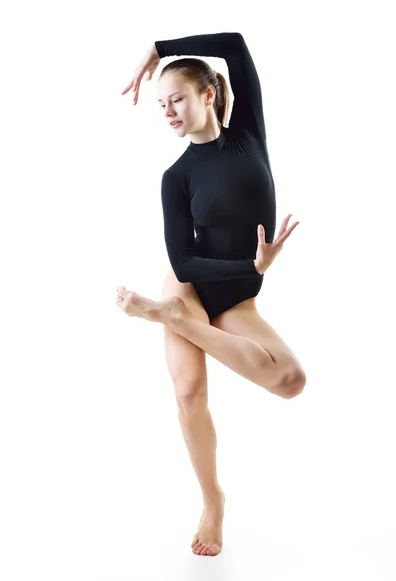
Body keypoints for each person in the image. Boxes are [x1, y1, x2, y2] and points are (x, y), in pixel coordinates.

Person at [117, 32, 306, 557]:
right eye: (161, 105)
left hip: (235, 300)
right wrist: (250, 263)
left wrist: (158, 48)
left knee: (290, 380)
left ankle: (168, 319)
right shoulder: (175, 177)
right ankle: (212, 500)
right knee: (189, 394)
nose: (169, 112)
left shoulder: (249, 135)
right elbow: (182, 261)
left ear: (208, 95)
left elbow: (235, 44)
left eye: (176, 98)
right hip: (190, 285)